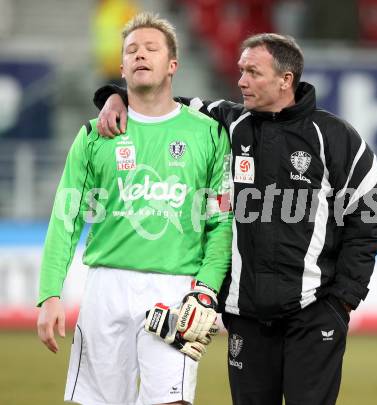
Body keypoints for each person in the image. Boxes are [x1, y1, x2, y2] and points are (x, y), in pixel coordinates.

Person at [94, 33, 377, 405]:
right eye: (241, 71)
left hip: (315, 313)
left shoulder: (336, 137)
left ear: (286, 79)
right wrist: (114, 96)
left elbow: (369, 222)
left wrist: (342, 300)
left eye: (253, 72)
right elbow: (161, 103)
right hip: (244, 316)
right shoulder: (227, 122)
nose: (241, 81)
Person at [37, 12, 232, 405]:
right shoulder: (95, 133)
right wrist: (49, 294)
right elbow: (66, 217)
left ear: (172, 64)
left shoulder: (209, 132)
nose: (140, 54)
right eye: (131, 50)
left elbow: (221, 221)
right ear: (122, 66)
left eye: (151, 48)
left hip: (174, 289)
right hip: (105, 286)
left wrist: (206, 289)